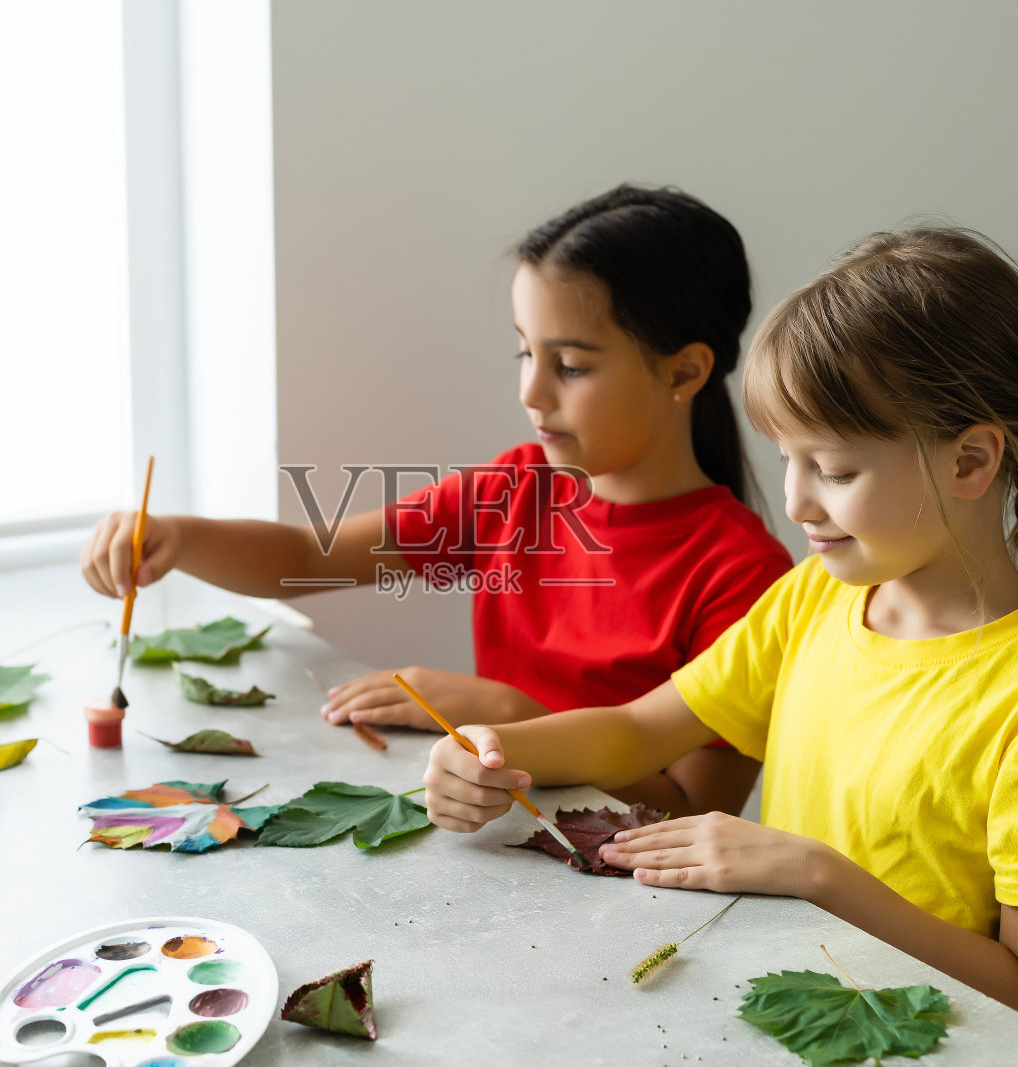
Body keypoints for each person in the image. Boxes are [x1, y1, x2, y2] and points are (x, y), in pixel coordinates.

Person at [421, 226, 1018, 1038]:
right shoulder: (811, 601)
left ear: (971, 461)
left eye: (834, 470)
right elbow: (638, 730)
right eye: (787, 460)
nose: (796, 502)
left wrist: (812, 871)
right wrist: (490, 748)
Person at [82, 184, 793, 817]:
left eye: (571, 365)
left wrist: (513, 717)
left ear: (685, 371)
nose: (531, 393)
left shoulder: (745, 577)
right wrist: (176, 535)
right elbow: (304, 557)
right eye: (525, 354)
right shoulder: (515, 491)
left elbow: (696, 812)